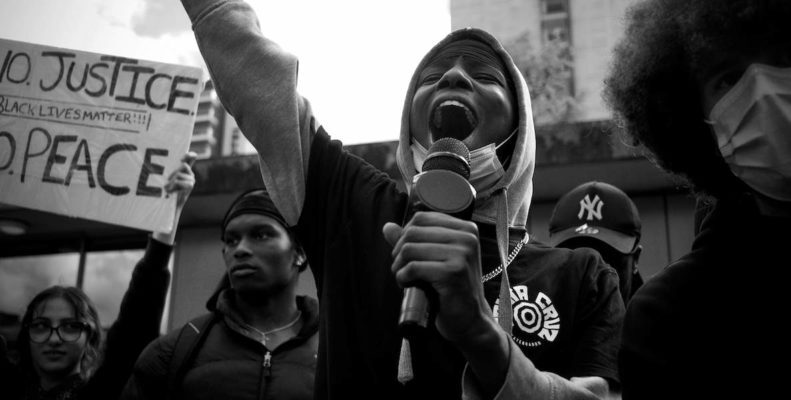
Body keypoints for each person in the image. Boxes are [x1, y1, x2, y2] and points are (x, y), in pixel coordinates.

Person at [176, 0, 625, 398]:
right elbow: (260, 78)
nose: (453, 75)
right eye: (431, 76)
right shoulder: (350, 205)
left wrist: (484, 337)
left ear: (519, 131)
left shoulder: (582, 276)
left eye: (484, 74)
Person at [603, 1, 791, 398]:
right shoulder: (671, 317)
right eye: (728, 78)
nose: (765, 92)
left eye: (784, 57)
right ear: (695, 119)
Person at [0, 152, 196, 400]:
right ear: (25, 334)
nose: (54, 339)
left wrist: (168, 213)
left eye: (70, 327)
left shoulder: (103, 391)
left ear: (90, 337)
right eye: (41, 326)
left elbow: (135, 325)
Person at [121, 188, 319, 400]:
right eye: (231, 240)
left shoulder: (343, 348)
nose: (240, 249)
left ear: (299, 252)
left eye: (261, 235)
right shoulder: (174, 351)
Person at [548, 181, 644, 303]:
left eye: (606, 259)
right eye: (575, 260)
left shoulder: (660, 318)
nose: (591, 276)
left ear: (635, 259)